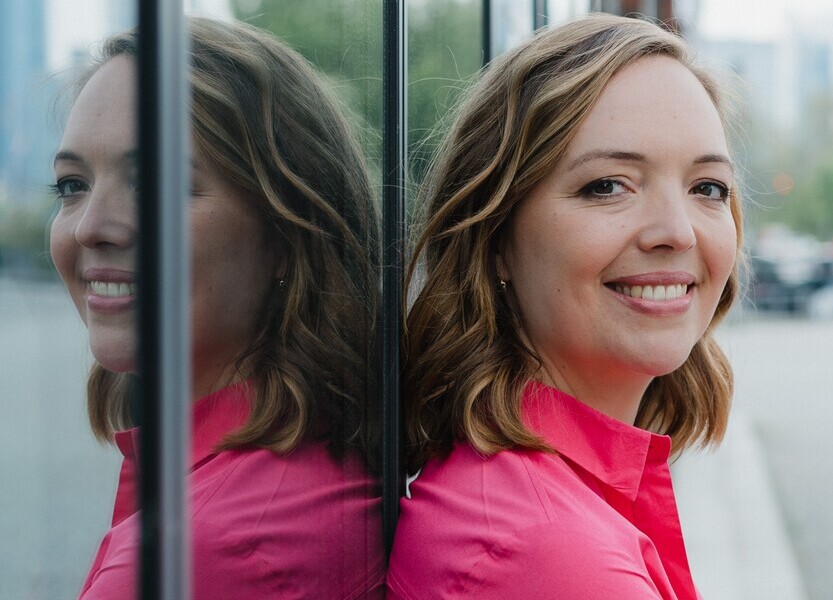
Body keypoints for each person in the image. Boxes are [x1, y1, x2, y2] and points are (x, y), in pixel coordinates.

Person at [388, 14, 741, 600]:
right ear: (496, 237)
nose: (677, 232)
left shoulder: (527, 500)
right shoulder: (546, 553)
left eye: (707, 187)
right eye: (608, 185)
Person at [50, 18, 385, 599]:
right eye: (72, 185)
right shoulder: (313, 464)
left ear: (287, 234)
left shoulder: (197, 553)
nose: (90, 227)